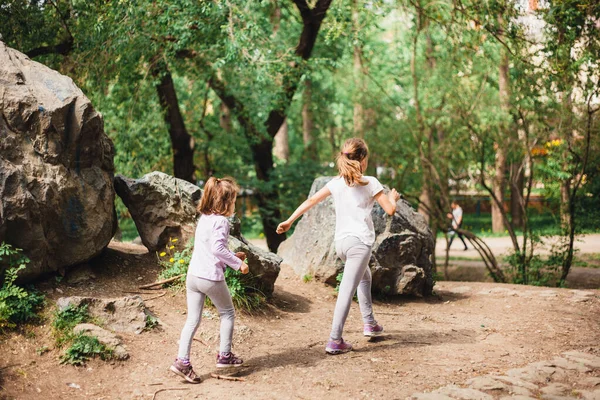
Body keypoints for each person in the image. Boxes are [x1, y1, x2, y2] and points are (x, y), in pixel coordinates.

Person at [277, 138, 400, 355]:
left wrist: (289, 220)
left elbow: (310, 201)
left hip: (341, 244)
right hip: (359, 244)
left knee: (365, 277)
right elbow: (390, 210)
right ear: (362, 159)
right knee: (346, 290)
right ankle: (335, 339)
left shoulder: (336, 183)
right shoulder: (371, 182)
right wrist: (393, 198)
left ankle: (370, 324)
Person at [170, 177, 249, 384]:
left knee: (192, 320)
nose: (234, 204)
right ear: (226, 202)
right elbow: (217, 248)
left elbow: (210, 248)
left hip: (194, 276)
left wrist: (233, 256)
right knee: (227, 313)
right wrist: (237, 264)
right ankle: (225, 356)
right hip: (209, 277)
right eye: (233, 200)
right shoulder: (222, 221)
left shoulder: (204, 217)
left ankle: (182, 362)